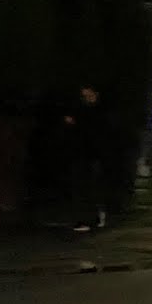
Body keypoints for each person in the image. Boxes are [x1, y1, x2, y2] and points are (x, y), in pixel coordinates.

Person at [64, 84, 106, 232]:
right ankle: (89, 218)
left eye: (88, 94)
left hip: (89, 154)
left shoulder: (94, 112)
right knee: (83, 187)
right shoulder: (85, 110)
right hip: (83, 153)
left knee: (88, 187)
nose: (86, 97)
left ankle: (89, 219)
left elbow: (90, 130)